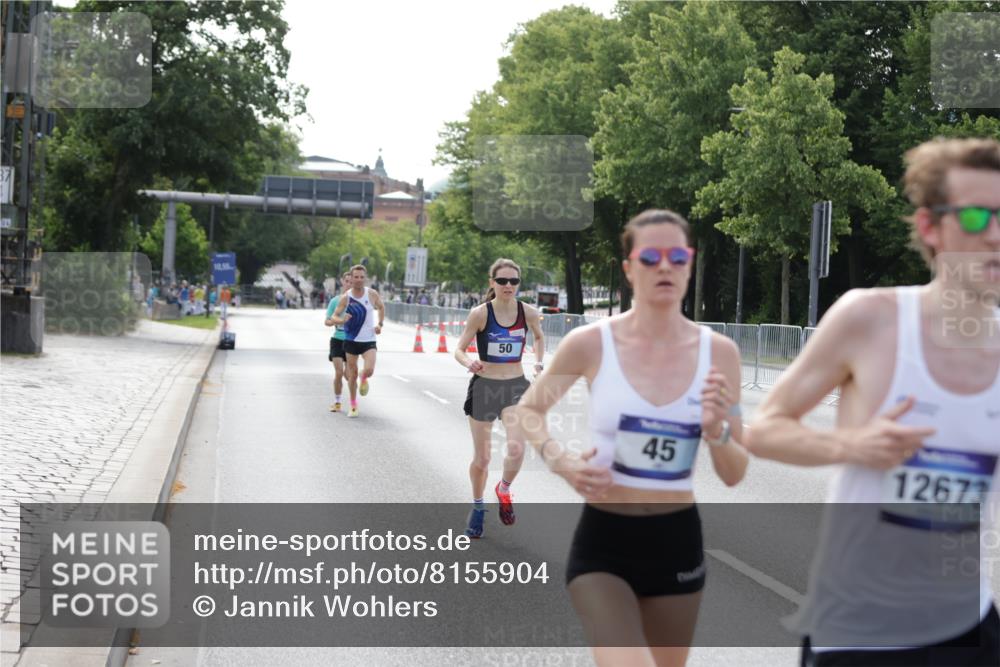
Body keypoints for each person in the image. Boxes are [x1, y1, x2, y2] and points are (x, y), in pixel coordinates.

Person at [748, 137, 1000, 666]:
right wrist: (853, 444)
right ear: (931, 227)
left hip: (969, 624)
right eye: (977, 217)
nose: (995, 235)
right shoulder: (870, 319)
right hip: (862, 632)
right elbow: (764, 428)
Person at [514, 210, 748, 667]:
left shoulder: (720, 354)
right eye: (651, 257)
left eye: (677, 257)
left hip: (676, 539)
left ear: (690, 264)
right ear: (629, 268)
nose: (665, 267)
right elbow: (529, 410)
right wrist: (561, 460)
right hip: (605, 542)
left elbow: (735, 471)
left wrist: (717, 430)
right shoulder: (590, 343)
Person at [454, 259, 545, 539]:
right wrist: (469, 362)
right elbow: (458, 349)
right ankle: (478, 508)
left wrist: (539, 364)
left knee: (517, 449)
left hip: (516, 386)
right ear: (492, 283)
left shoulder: (528, 312)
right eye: (502, 281)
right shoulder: (480, 314)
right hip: (484, 387)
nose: (508, 286)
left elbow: (539, 338)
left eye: (513, 281)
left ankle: (503, 489)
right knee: (482, 458)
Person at [329, 264, 385, 418]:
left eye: (362, 277)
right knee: (351, 374)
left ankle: (364, 376)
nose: (359, 280)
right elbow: (333, 316)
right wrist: (341, 320)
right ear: (351, 279)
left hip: (369, 340)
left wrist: (380, 324)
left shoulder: (372, 294)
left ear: (365, 278)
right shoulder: (346, 297)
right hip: (351, 339)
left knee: (369, 370)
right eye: (356, 277)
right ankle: (353, 405)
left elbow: (381, 307)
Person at [323, 272, 353, 413]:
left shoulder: (357, 302)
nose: (349, 284)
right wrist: (339, 321)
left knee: (349, 375)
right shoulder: (335, 301)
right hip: (337, 339)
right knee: (339, 372)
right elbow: (327, 321)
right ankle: (337, 402)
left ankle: (354, 402)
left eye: (351, 281)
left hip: (351, 341)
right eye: (347, 281)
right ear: (342, 282)